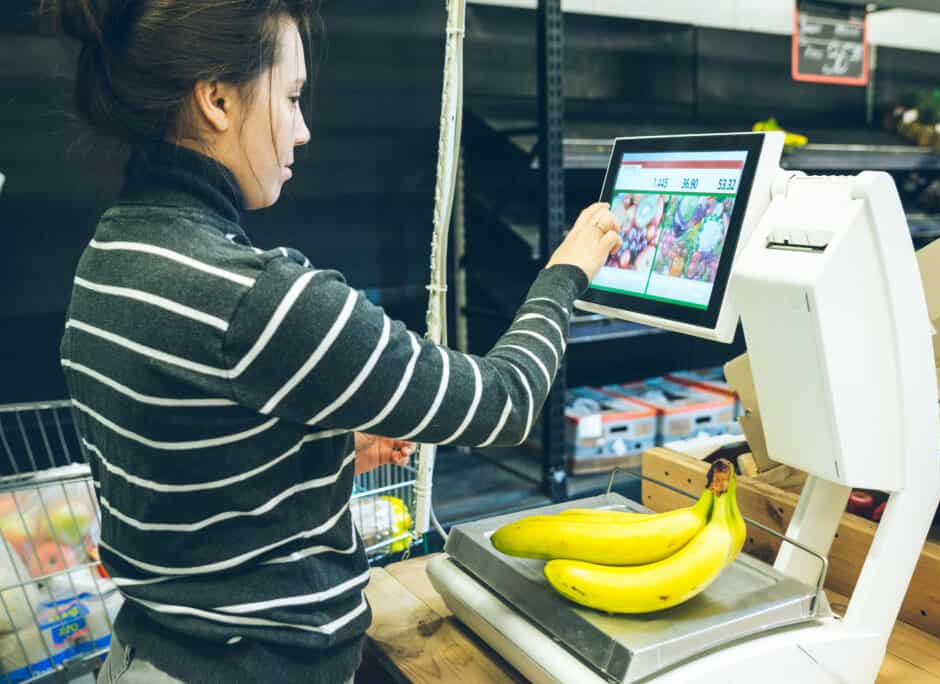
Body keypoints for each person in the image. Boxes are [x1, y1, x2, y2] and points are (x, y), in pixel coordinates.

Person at [51, 1, 621, 681]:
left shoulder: (111, 253)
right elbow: (504, 402)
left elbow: (179, 475)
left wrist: (322, 448)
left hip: (149, 655)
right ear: (217, 100)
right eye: (290, 98)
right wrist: (565, 273)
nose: (303, 131)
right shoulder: (260, 300)